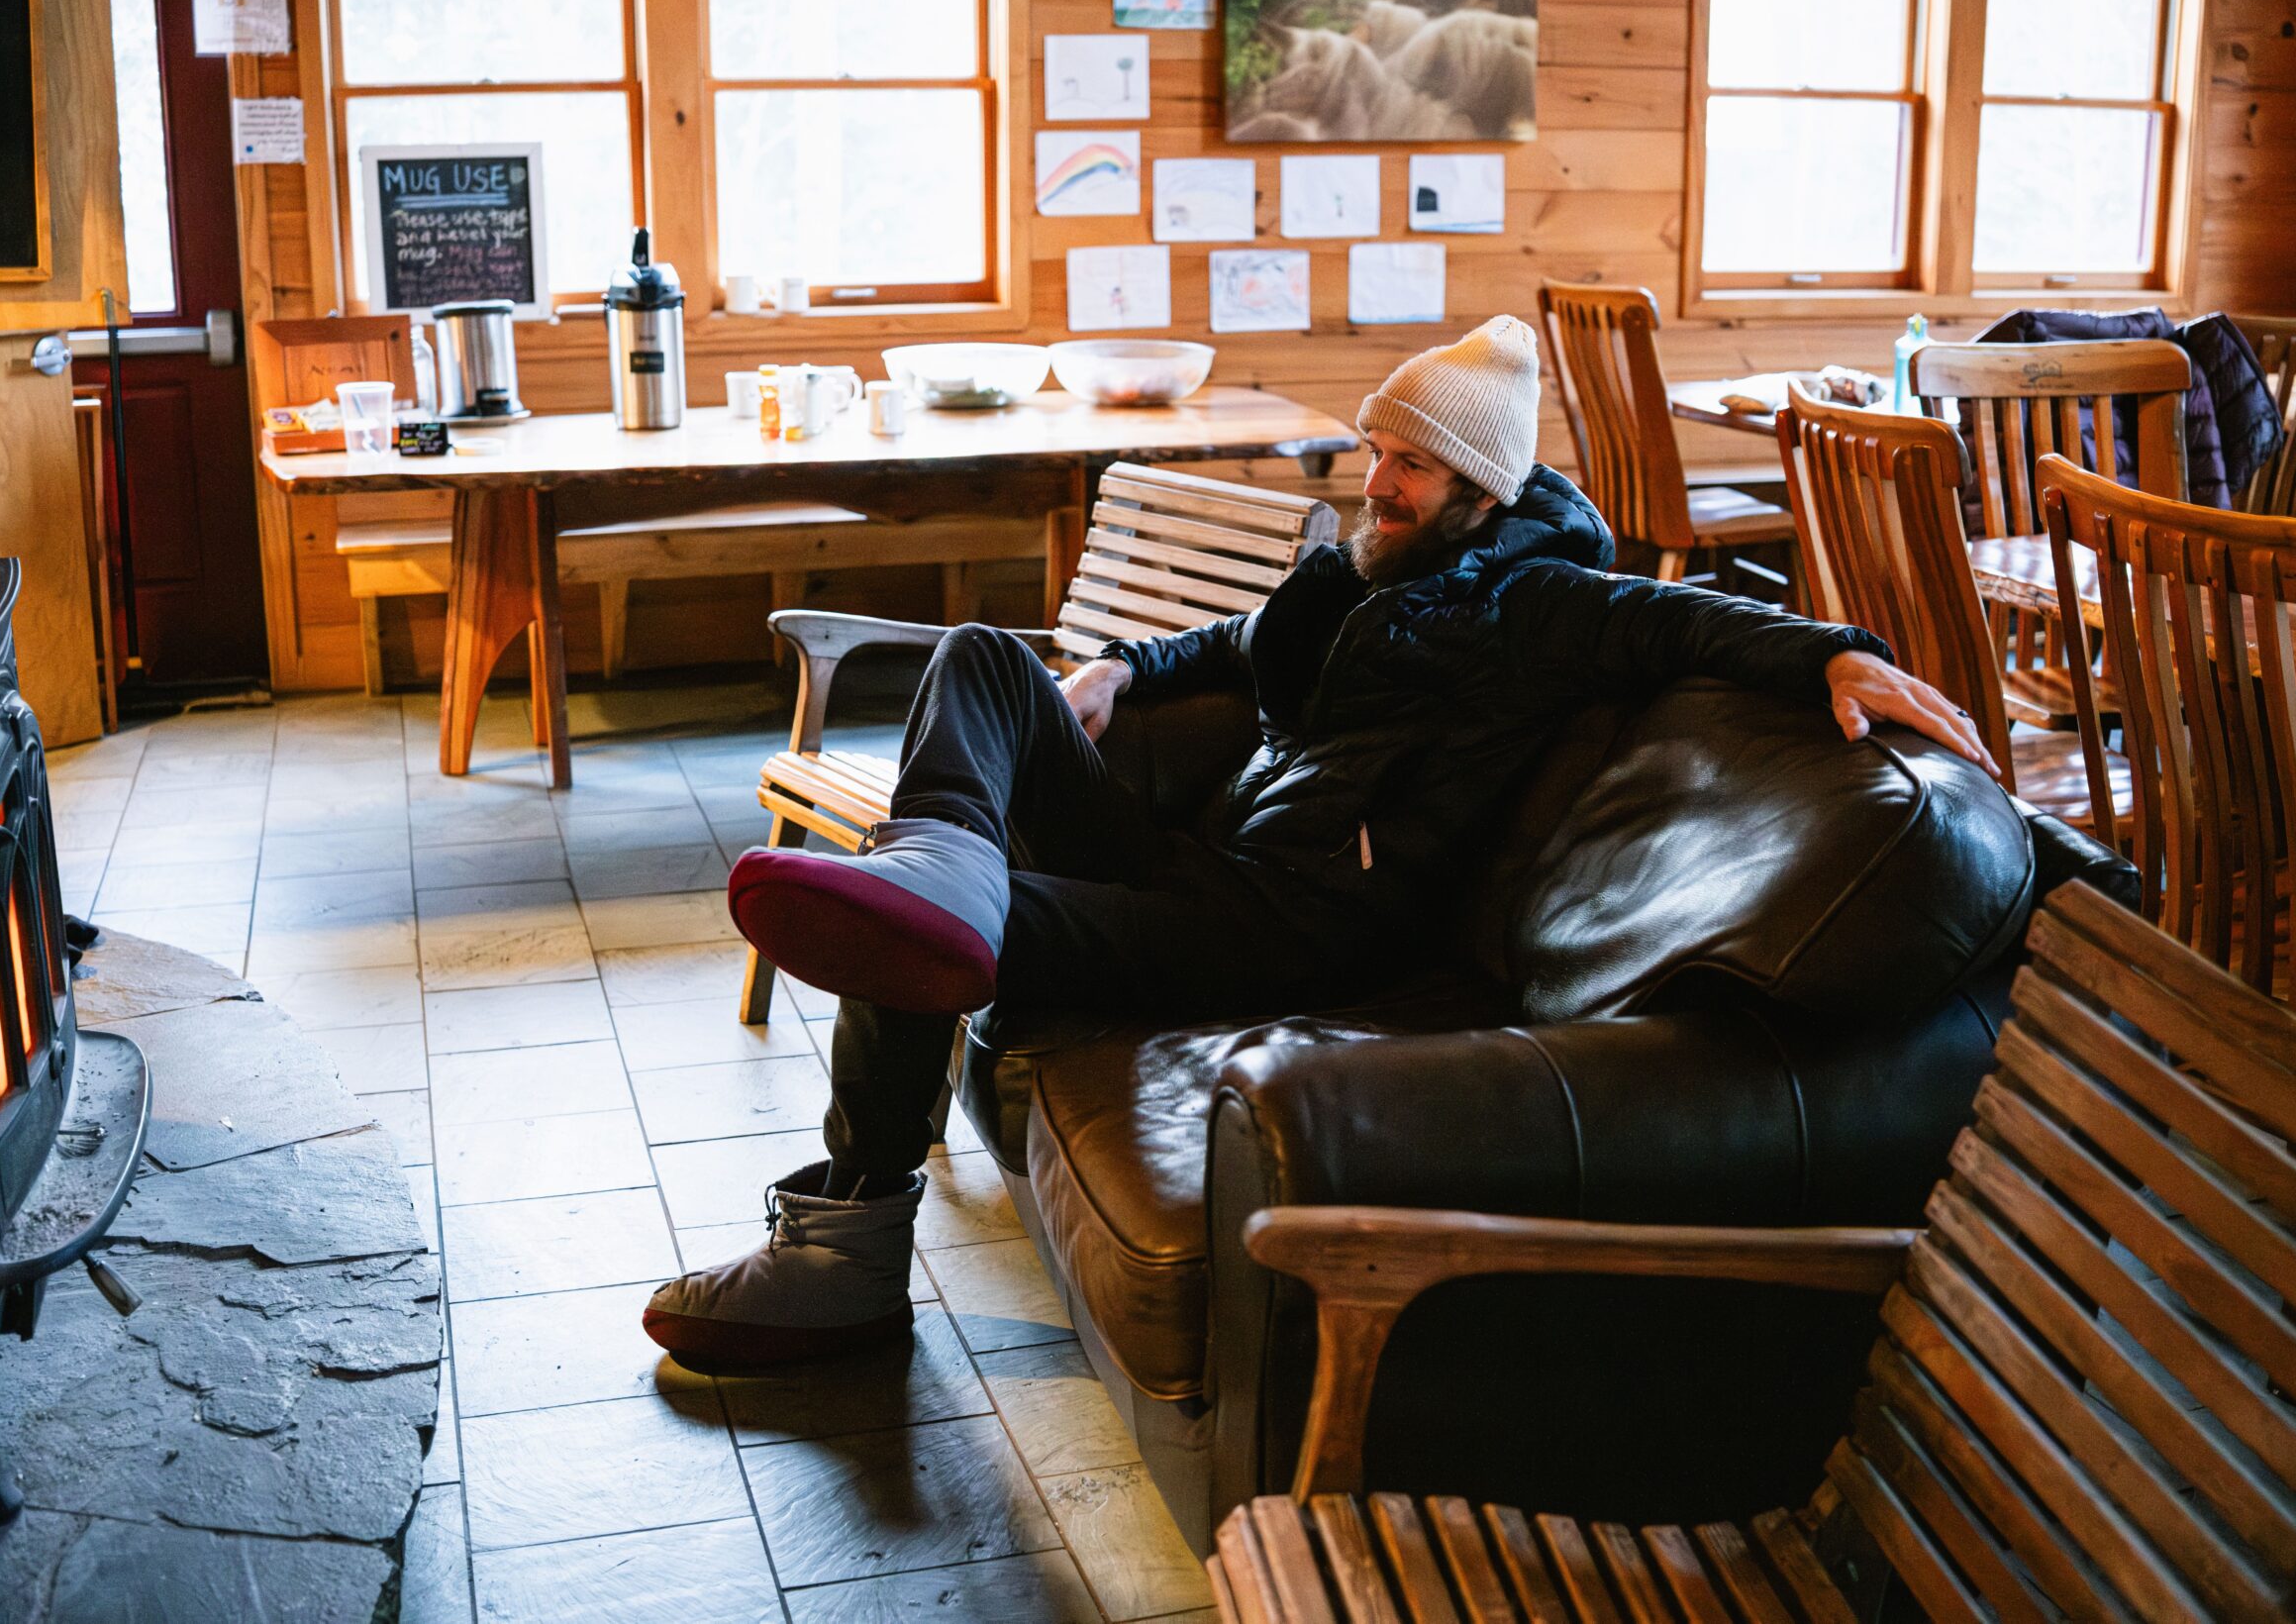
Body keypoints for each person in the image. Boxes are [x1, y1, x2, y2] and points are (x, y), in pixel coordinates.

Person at [642, 316, 1999, 1371]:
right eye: (1377, 450)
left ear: (1477, 484)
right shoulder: (1366, 572)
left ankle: (844, 1258)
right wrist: (1126, 663)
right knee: (993, 659)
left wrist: (1840, 654)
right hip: (1202, 863)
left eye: (1409, 462)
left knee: (908, 938)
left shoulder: (1532, 604)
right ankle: (941, 863)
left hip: (1279, 927)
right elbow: (1244, 642)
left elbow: (1679, 621)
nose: (1377, 479)